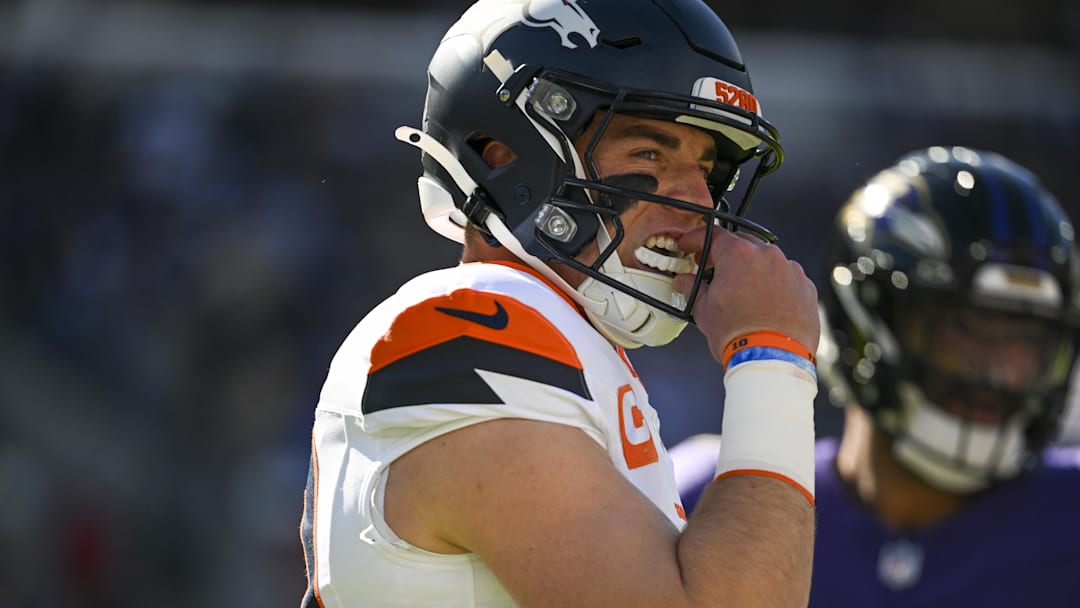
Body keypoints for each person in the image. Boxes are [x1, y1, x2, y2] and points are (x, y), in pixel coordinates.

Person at [298, 0, 821, 605]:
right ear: (504, 153)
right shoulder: (472, 329)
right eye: (649, 154)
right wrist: (773, 358)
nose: (695, 205)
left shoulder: (562, 340)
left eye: (705, 171)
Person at [673, 146, 1080, 606]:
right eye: (964, 333)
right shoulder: (704, 492)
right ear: (865, 324)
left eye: (1026, 343)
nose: (999, 374)